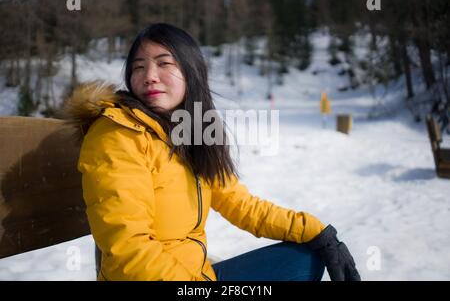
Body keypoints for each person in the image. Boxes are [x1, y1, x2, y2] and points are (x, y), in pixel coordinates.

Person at [63, 23, 360, 281]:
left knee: (306, 258)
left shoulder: (189, 131)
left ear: (190, 72)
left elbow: (240, 204)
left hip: (197, 274)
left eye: (163, 63)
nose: (149, 76)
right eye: (138, 67)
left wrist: (318, 232)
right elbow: (128, 248)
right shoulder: (118, 135)